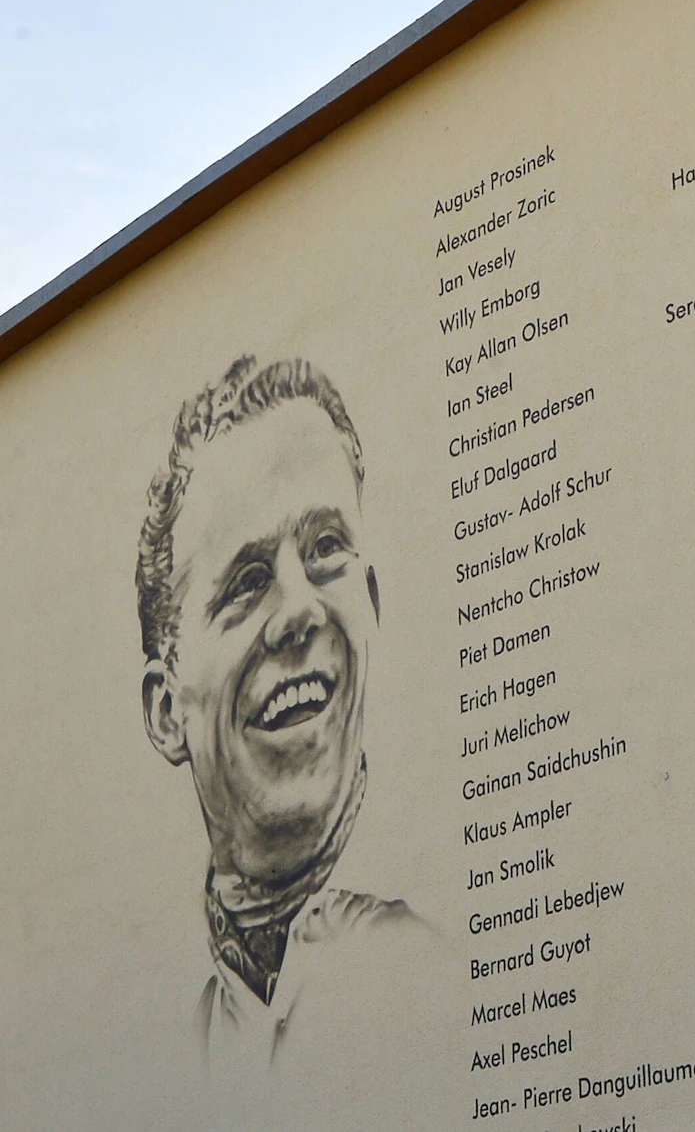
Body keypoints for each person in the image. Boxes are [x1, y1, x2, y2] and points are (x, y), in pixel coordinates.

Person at [135, 356, 432, 1081]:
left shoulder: (462, 947)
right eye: (247, 581)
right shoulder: (163, 1049)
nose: (301, 610)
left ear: (374, 604)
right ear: (167, 711)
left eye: (326, 548)